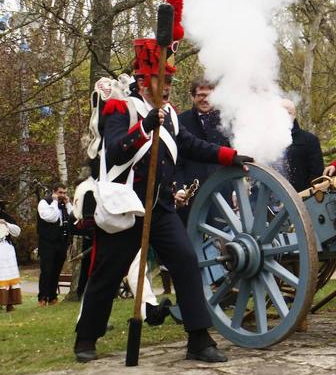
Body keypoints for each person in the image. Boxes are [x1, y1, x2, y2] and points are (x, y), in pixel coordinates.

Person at [73, 37, 253, 363]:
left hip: (160, 207)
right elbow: (113, 150)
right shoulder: (121, 108)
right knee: (106, 273)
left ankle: (199, 339)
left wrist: (231, 156)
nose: (168, 86)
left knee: (185, 262)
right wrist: (144, 127)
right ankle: (86, 338)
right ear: (143, 80)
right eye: (162, 79)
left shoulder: (168, 114)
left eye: (170, 80)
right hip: (126, 207)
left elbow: (190, 145)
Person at [175, 77, 231, 226]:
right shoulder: (180, 121)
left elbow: (234, 157)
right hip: (191, 194)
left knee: (223, 244)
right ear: (193, 96)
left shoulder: (227, 121)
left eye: (210, 95)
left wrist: (236, 191)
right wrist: (179, 188)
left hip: (222, 192)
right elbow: (175, 161)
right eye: (201, 95)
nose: (205, 99)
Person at [37, 182, 72, 306]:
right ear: (54, 192)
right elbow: (51, 218)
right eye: (60, 192)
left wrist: (67, 204)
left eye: (64, 193)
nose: (62, 195)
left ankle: (52, 297)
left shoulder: (64, 204)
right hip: (47, 242)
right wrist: (55, 202)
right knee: (47, 270)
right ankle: (42, 297)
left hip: (61, 241)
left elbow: (73, 217)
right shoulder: (44, 203)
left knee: (56, 270)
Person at [281, 99, 324, 192]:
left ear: (294, 115)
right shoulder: (267, 141)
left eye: (288, 113)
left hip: (301, 197)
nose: (284, 116)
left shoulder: (310, 140)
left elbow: (316, 174)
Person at [0, 200, 22, 312]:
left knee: (7, 277)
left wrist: (6, 224)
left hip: (5, 250)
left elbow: (17, 231)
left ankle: (9, 303)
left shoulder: (5, 217)